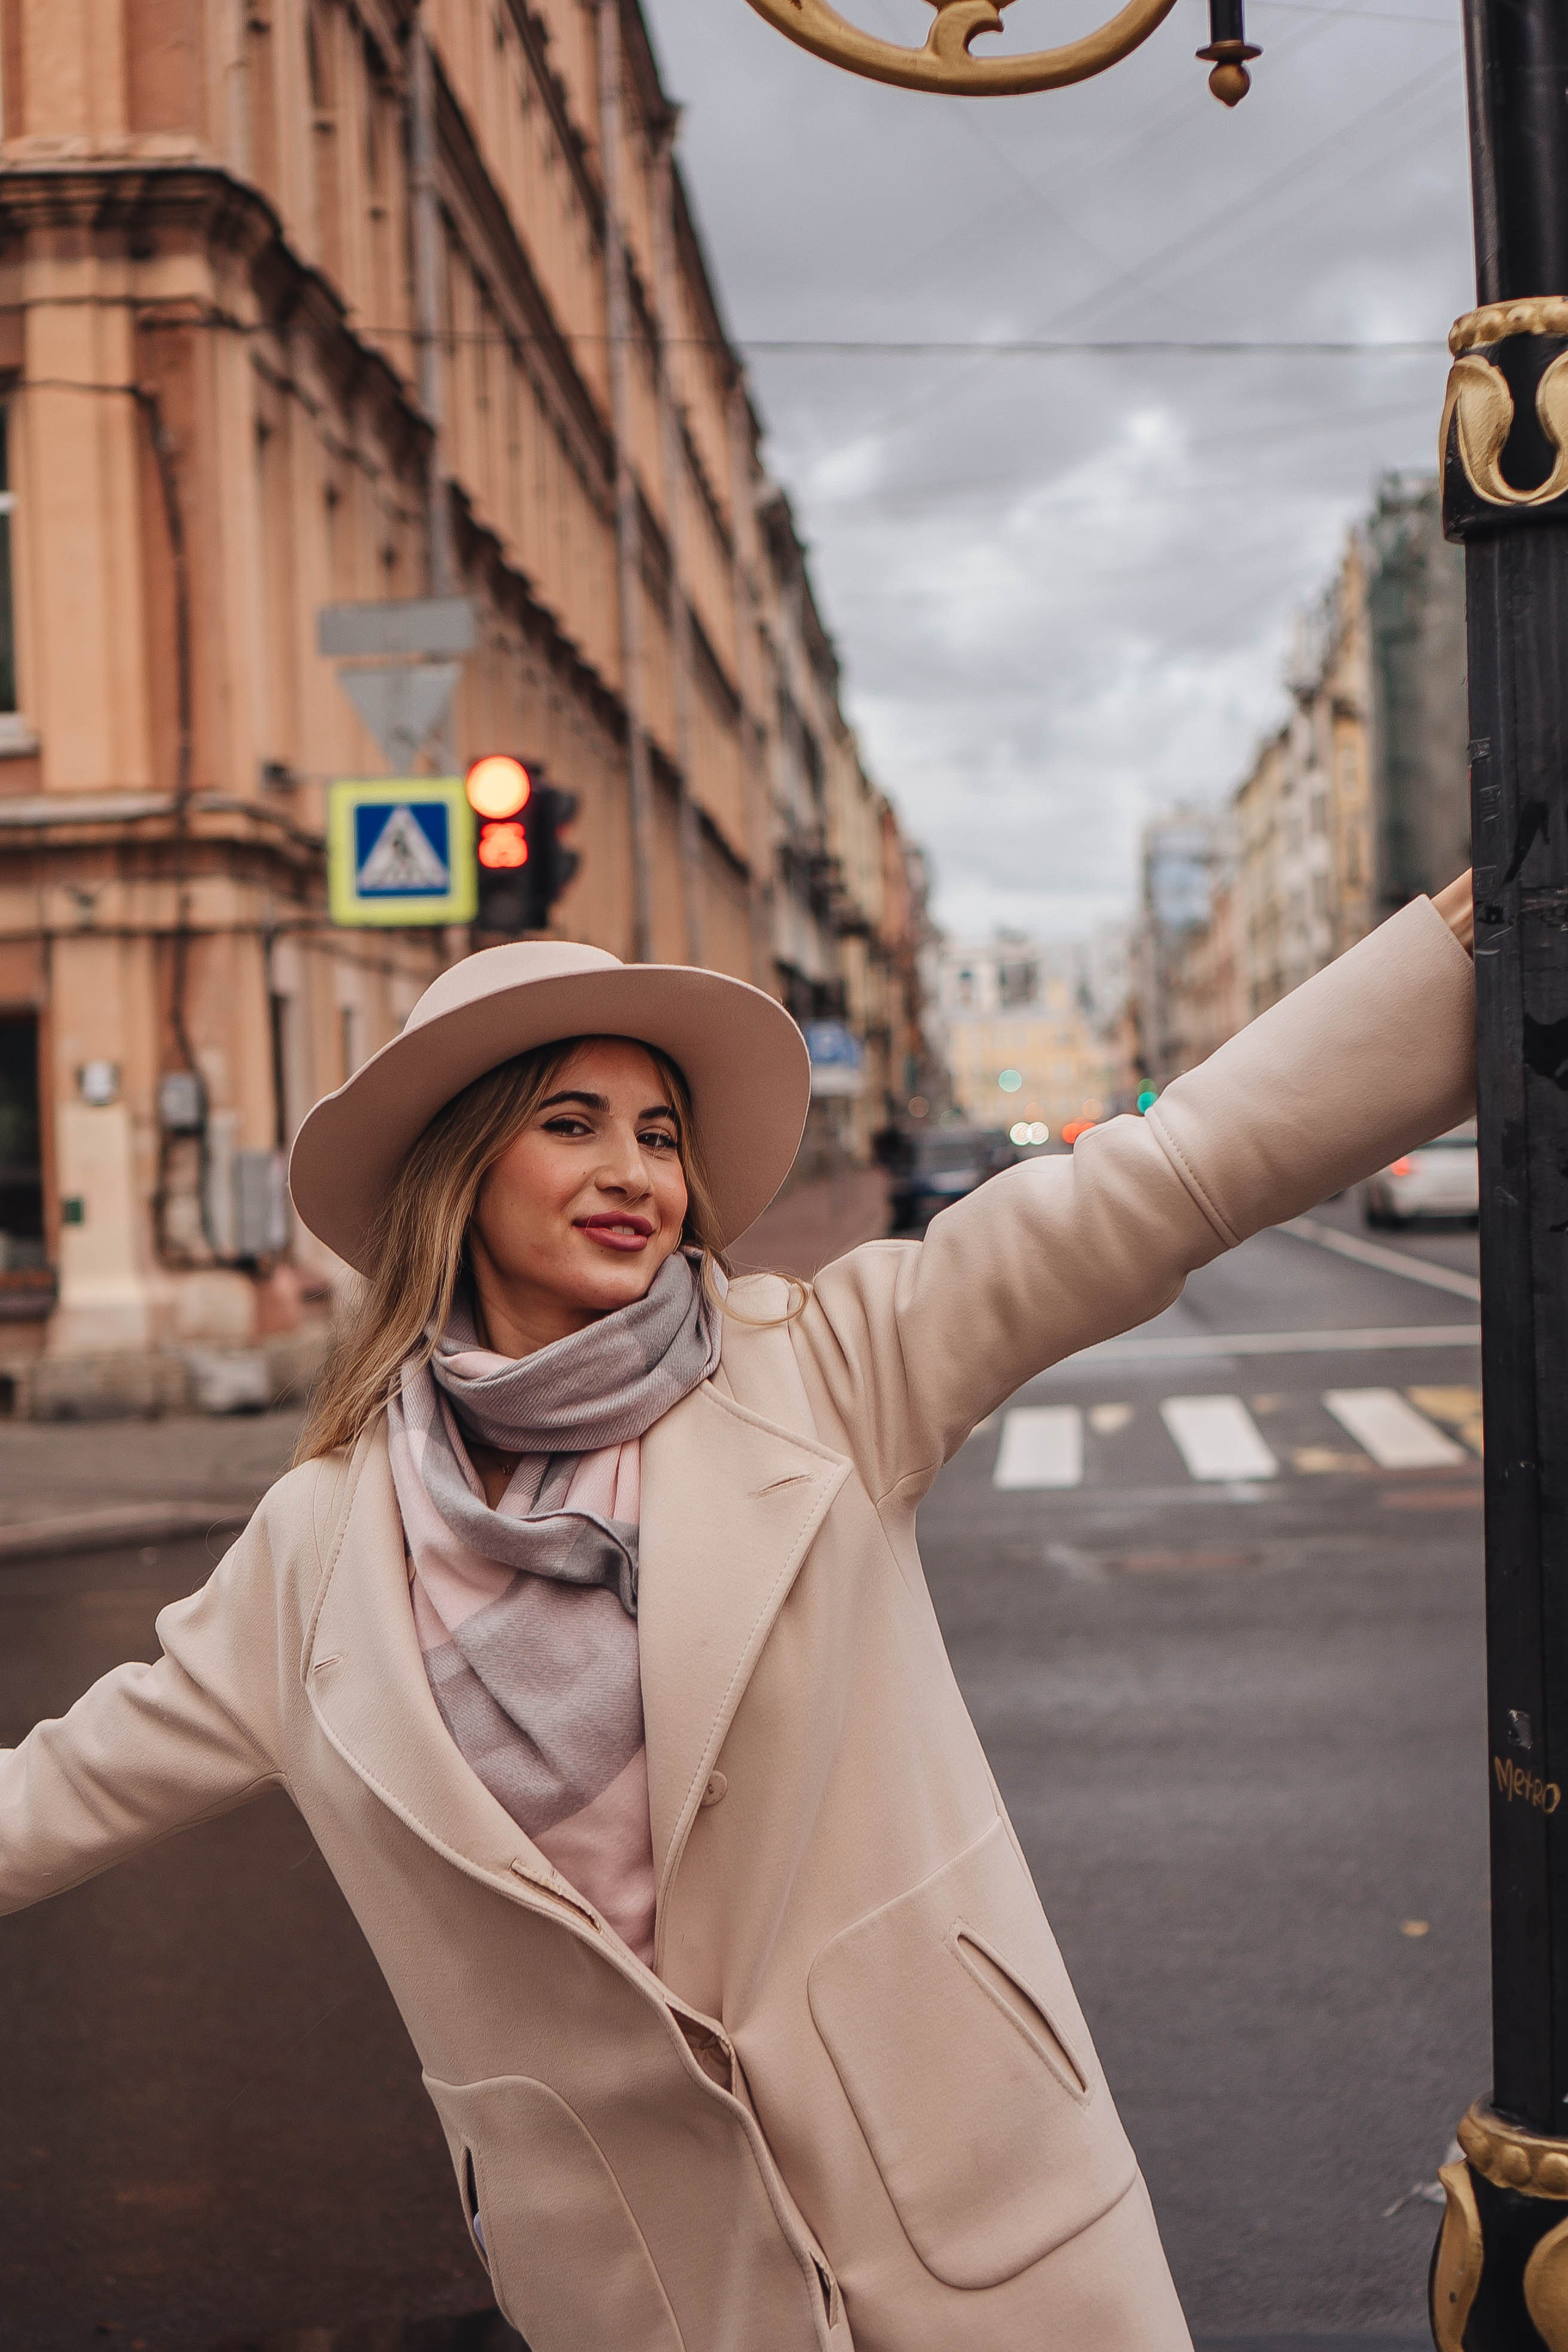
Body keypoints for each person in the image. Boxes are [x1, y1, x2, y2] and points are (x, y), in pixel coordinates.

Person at [0, 882, 1477, 2352]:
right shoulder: (317, 1545)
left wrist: (1444, 964)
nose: (633, 1170)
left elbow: (1152, 1179)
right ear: (458, 1172)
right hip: (641, 2281)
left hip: (974, 2211)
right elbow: (61, 1790)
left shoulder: (821, 1372)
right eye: (569, 1124)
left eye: (657, 1134)